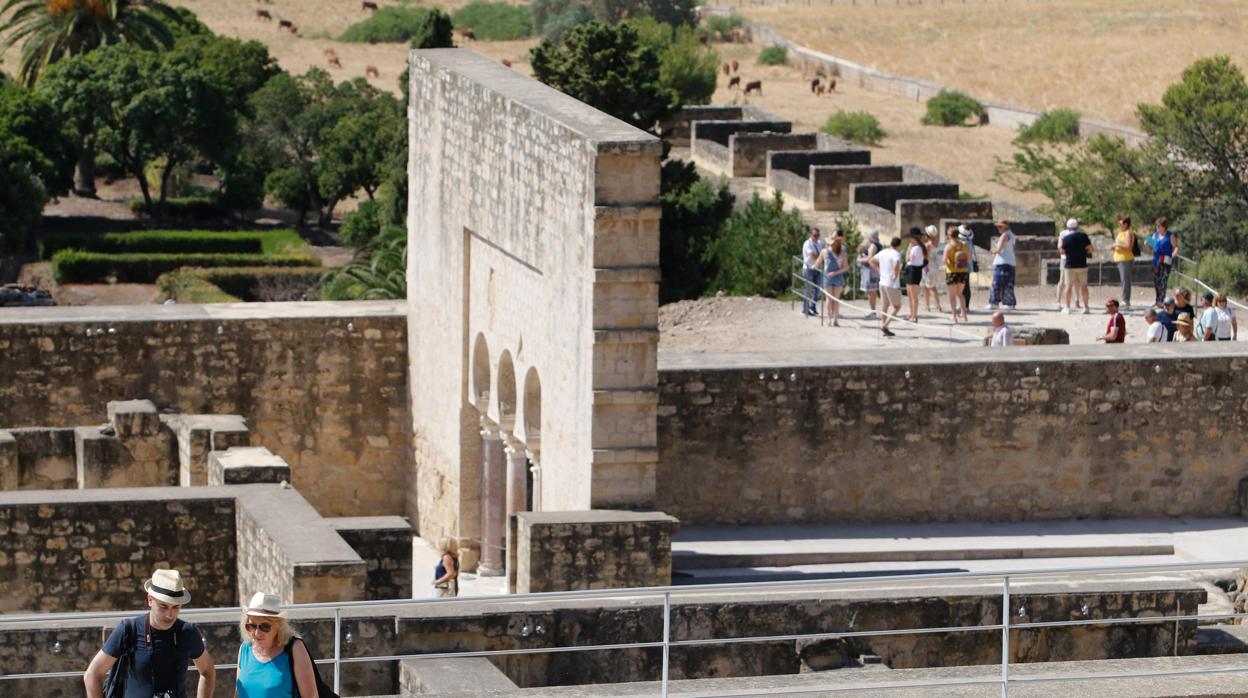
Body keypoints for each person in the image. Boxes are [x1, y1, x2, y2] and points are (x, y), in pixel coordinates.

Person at [84, 568, 215, 698]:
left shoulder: (187, 632)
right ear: (150, 600)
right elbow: (92, 675)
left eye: (176, 607)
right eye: (163, 606)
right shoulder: (129, 630)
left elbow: (208, 671)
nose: (169, 615)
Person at [235, 592, 319, 698]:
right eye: (251, 626)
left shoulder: (295, 649)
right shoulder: (245, 648)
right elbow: (238, 693)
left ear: (278, 626)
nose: (256, 633)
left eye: (264, 627)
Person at [1059, 218, 1093, 314]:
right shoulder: (1083, 236)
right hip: (1082, 264)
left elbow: (1061, 251)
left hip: (1070, 265)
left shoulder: (1066, 238)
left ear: (1068, 228)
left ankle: (1067, 307)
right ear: (1077, 227)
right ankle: (1086, 307)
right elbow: (1090, 249)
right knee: (1084, 286)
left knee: (1068, 286)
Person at [873, 236, 903, 337]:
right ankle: (885, 326)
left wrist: (879, 271)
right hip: (891, 284)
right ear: (899, 245)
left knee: (885, 306)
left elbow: (871, 260)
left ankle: (884, 325)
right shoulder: (896, 254)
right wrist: (895, 274)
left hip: (882, 282)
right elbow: (897, 263)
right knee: (897, 307)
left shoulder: (883, 252)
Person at [1146, 217, 1178, 308]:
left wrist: (1174, 253)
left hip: (1166, 261)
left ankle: (1161, 301)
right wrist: (1147, 244)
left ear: (1164, 227)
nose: (1157, 228)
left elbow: (1176, 247)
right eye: (1157, 226)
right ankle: (1158, 301)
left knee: (1163, 281)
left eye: (1159, 226)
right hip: (1156, 261)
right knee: (1156, 281)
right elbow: (1152, 248)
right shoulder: (1155, 235)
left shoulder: (1170, 235)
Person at [987, 219, 1016, 310]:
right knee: (1008, 284)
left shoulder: (1005, 235)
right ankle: (1010, 303)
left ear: (1005, 227)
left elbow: (999, 249)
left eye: (1000, 226)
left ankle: (994, 302)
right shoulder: (1011, 234)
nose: (998, 228)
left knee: (996, 283)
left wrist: (993, 251)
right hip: (1009, 261)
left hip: (1002, 262)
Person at [819, 235, 848, 327]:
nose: (831, 245)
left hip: (835, 277)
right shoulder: (825, 251)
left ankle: (834, 320)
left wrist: (835, 273)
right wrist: (812, 266)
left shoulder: (843, 253)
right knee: (830, 299)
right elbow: (818, 262)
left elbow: (846, 267)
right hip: (829, 277)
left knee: (835, 299)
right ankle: (830, 319)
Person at [944, 225, 969, 323]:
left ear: (950, 235)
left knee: (952, 295)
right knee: (960, 294)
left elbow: (944, 260)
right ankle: (964, 314)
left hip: (951, 272)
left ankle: (954, 316)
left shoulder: (948, 246)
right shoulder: (964, 245)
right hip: (963, 271)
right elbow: (969, 258)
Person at [1111, 215, 1137, 308]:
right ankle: (1124, 299)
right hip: (1119, 259)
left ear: (1126, 224)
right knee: (1123, 280)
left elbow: (1128, 246)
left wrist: (1118, 244)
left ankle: (1126, 300)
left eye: (1120, 223)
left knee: (1126, 280)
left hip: (1125, 259)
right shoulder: (1120, 233)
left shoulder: (1128, 233)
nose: (1119, 225)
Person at [858, 229, 883, 319]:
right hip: (873, 271)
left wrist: (860, 260)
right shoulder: (878, 245)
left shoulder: (873, 246)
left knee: (871, 292)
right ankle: (873, 310)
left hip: (870, 271)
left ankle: (873, 311)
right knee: (873, 291)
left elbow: (870, 259)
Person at [903, 228, 926, 322]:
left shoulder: (916, 248)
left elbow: (909, 258)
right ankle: (911, 314)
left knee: (914, 295)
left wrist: (908, 253)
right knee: (909, 293)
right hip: (911, 270)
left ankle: (914, 315)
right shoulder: (915, 247)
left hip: (914, 270)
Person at [920, 224, 944, 313]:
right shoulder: (937, 243)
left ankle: (938, 305)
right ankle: (927, 305)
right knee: (928, 287)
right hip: (935, 266)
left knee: (931, 287)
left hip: (927, 267)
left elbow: (924, 256)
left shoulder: (927, 245)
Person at [801, 227, 824, 317]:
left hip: (817, 268)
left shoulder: (819, 243)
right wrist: (820, 259)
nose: (816, 237)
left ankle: (813, 307)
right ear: (811, 235)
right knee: (808, 289)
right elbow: (812, 255)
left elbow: (822, 253)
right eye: (814, 235)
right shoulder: (807, 243)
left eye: (818, 235)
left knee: (818, 290)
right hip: (809, 268)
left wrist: (820, 260)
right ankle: (805, 309)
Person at [958, 224, 976, 310]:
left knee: (962, 286)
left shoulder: (962, 243)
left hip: (962, 265)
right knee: (967, 285)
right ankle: (966, 305)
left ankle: (964, 305)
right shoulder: (970, 241)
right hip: (968, 265)